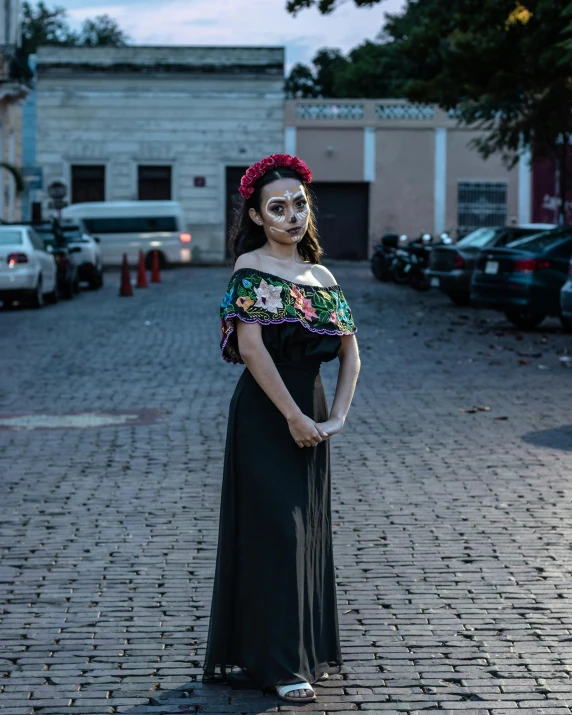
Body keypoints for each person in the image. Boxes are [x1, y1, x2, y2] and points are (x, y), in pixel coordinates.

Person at [202, 153, 361, 703]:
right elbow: (251, 349)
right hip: (266, 413)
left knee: (308, 533)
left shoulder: (323, 276)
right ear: (257, 215)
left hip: (311, 411)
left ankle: (298, 652)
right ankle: (279, 663)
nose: (292, 215)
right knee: (278, 534)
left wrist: (335, 416)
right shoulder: (250, 268)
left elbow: (351, 354)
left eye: (299, 204)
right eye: (278, 207)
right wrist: (293, 416)